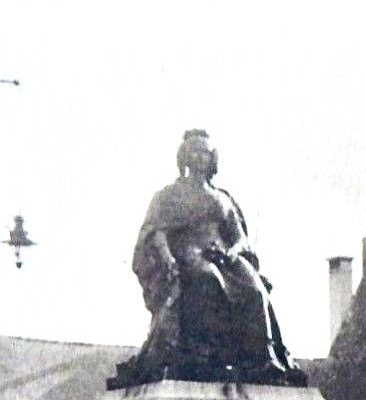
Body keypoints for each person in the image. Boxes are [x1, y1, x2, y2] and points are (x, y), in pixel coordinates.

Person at [122, 129, 299, 386]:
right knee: (208, 280)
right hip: (188, 251)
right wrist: (168, 258)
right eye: (194, 151)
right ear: (184, 156)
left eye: (205, 151)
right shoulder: (168, 195)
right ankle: (204, 357)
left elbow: (239, 237)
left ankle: (264, 357)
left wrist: (231, 252)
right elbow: (156, 232)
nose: (200, 156)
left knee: (255, 290)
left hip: (224, 255)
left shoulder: (223, 199)